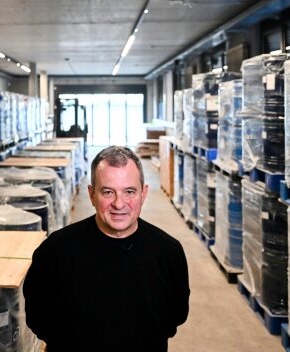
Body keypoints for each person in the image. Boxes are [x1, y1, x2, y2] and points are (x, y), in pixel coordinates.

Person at [23, 145, 190, 351]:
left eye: (129, 191)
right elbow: (37, 315)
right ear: (92, 194)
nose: (119, 204)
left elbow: (176, 316)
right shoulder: (55, 251)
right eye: (108, 192)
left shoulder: (168, 252)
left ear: (143, 193)